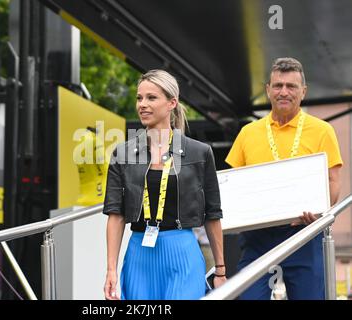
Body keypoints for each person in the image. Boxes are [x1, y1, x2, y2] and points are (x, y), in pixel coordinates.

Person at [226, 57, 343, 300]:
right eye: (278, 85)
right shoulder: (248, 132)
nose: (284, 92)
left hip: (304, 234)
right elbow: (233, 185)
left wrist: (320, 213)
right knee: (248, 297)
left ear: (303, 91)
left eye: (291, 86)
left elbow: (333, 180)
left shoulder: (322, 130)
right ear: (268, 90)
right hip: (257, 238)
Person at [103, 69, 226, 300]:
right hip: (139, 254)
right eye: (139, 98)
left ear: (172, 103)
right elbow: (115, 214)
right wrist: (111, 269)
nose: (142, 104)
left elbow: (212, 213)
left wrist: (220, 269)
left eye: (151, 98)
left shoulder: (199, 152)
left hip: (182, 251)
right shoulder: (123, 153)